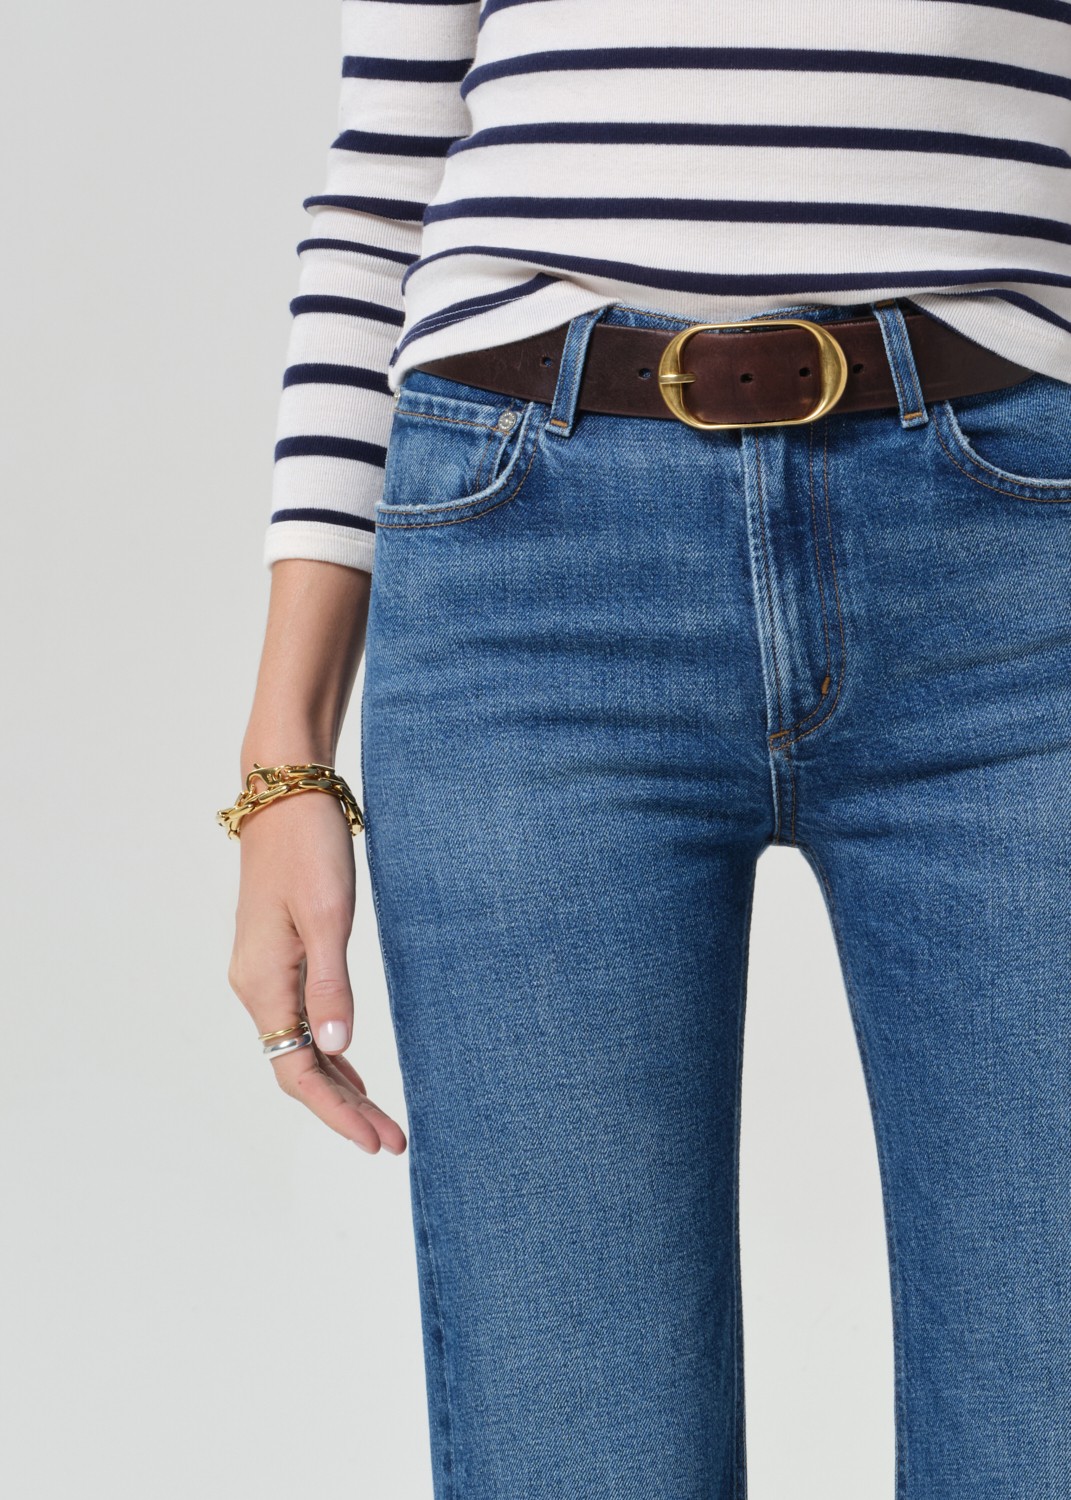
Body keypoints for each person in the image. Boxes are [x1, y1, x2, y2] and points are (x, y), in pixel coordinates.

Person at [222, 3, 1071, 1495]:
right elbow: (381, 191)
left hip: (1012, 559)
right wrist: (284, 759)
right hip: (526, 559)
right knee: (577, 1447)